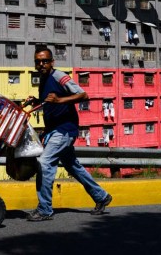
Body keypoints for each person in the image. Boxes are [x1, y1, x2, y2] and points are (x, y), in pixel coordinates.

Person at [25, 47, 112, 221]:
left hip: (64, 129)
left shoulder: (59, 76)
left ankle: (44, 209)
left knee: (44, 163)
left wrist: (60, 100)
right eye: (38, 61)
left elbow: (83, 95)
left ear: (52, 62)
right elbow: (50, 101)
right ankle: (101, 197)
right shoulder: (43, 79)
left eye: (45, 61)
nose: (41, 64)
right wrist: (36, 101)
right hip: (54, 130)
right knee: (73, 166)